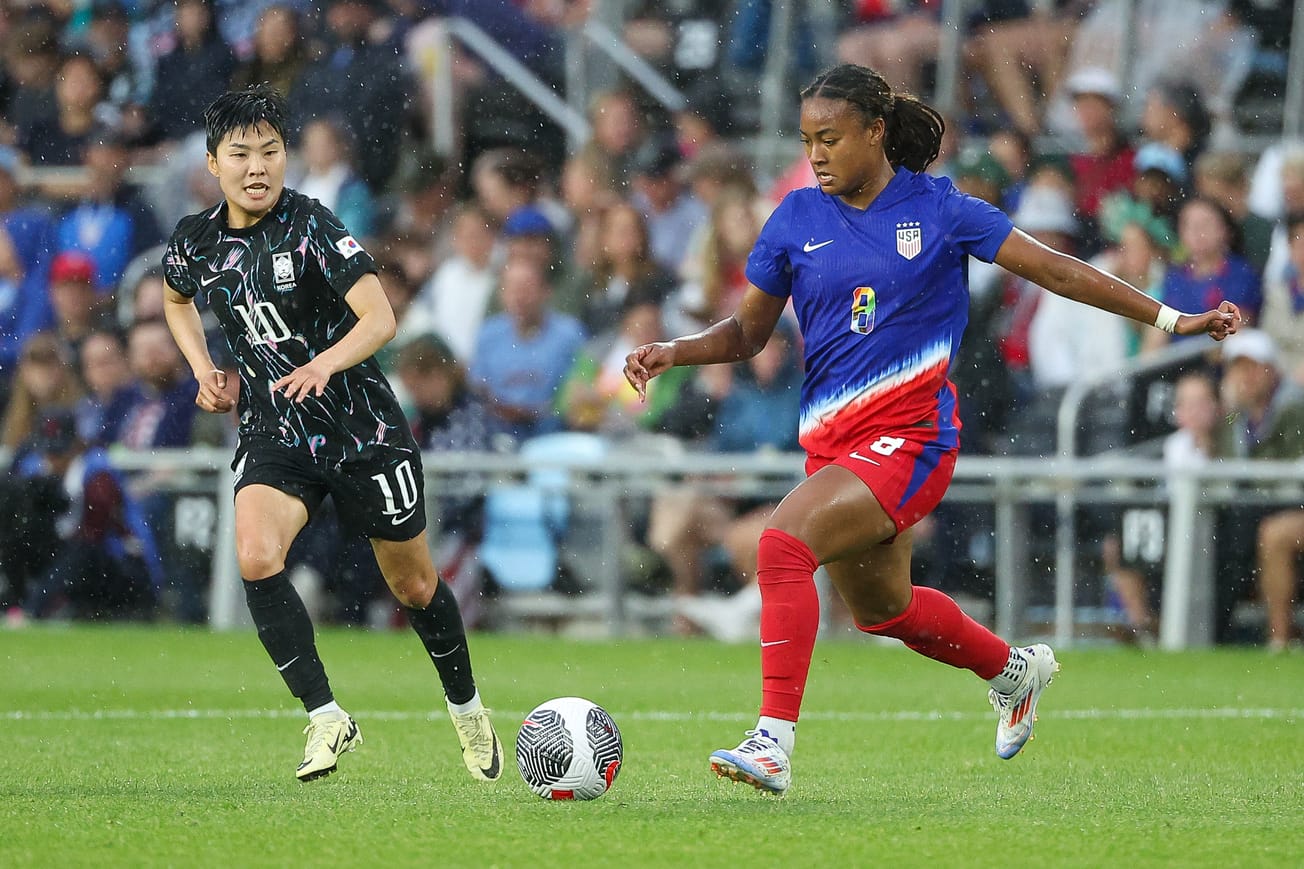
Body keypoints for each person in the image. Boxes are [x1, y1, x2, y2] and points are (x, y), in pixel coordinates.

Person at [623, 63, 1241, 795]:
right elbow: (749, 333)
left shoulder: (944, 210)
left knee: (781, 545)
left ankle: (772, 742)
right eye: (806, 140)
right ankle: (1015, 672)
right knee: (885, 610)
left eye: (831, 138)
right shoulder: (794, 218)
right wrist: (677, 351)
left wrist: (1174, 320)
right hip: (833, 447)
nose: (816, 154)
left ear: (876, 131)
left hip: (913, 439)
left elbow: (1059, 272)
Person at [159, 85, 502, 783]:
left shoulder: (311, 224)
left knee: (413, 584)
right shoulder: (194, 241)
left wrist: (324, 361)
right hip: (274, 429)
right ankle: (325, 715)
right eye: (241, 154)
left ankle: (466, 706)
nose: (258, 167)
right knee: (256, 555)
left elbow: (380, 320)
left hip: (361, 427)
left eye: (271, 151)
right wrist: (204, 370)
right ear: (213, 163)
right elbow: (175, 299)